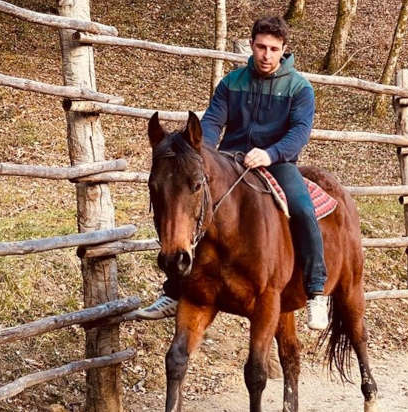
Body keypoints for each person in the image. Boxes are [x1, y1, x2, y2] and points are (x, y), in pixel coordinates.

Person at [135, 16, 328, 330]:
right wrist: (202, 153)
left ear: (284, 50)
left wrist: (270, 153)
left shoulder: (300, 89)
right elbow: (211, 122)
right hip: (230, 157)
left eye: (274, 48)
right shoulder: (231, 83)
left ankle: (317, 289)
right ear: (251, 45)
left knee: (303, 208)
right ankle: (175, 288)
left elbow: (299, 133)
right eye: (261, 47)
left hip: (278, 161)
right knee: (192, 205)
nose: (266, 54)